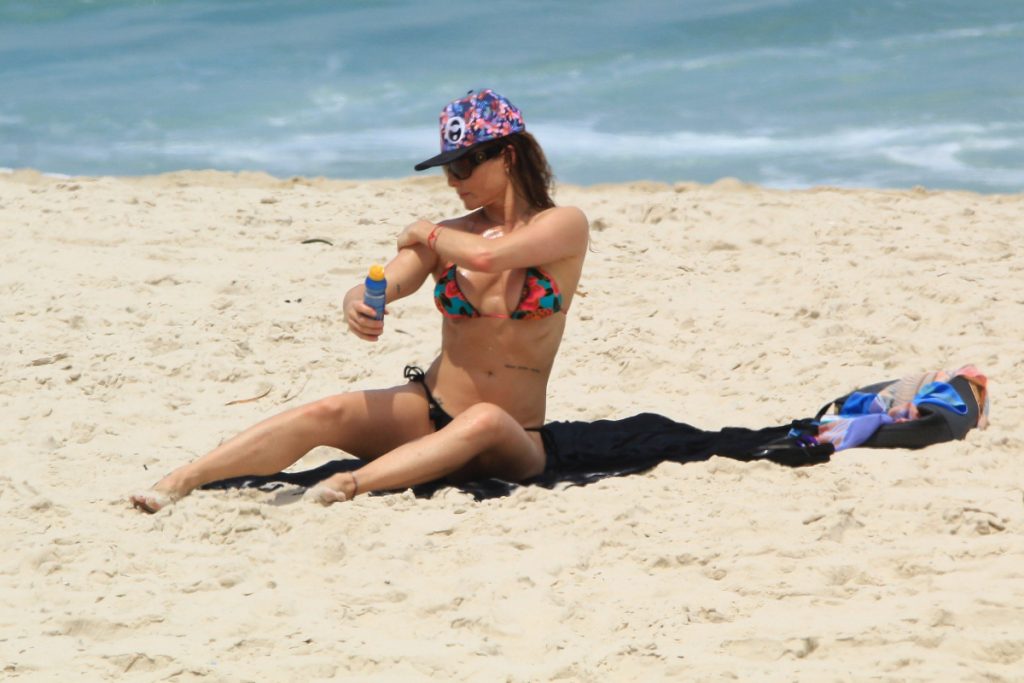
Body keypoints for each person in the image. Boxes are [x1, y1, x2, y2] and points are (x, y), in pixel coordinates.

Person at [130, 89, 590, 512]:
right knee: (324, 412)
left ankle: (351, 484)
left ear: (507, 155)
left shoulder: (562, 226)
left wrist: (426, 232)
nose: (453, 180)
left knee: (485, 419)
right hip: (430, 409)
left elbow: (490, 257)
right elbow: (387, 281)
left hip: (514, 438)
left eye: (464, 165)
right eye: (448, 168)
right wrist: (359, 301)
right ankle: (181, 480)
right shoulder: (448, 235)